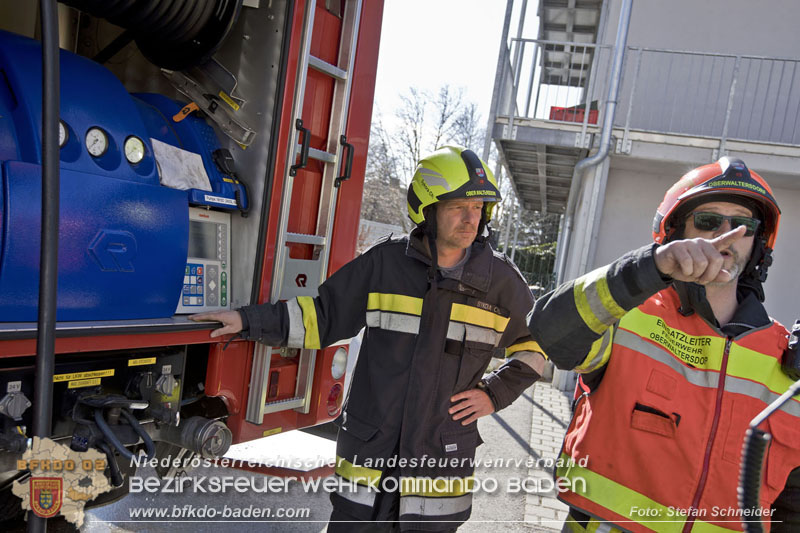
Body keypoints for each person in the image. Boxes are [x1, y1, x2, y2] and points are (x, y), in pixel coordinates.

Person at [191, 146, 547, 531]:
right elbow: (319, 317)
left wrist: (494, 393)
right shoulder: (384, 266)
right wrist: (245, 320)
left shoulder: (501, 284)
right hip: (368, 464)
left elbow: (538, 347)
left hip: (437, 477)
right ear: (428, 210)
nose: (470, 219)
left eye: (478, 209)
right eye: (458, 207)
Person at [527, 157, 800, 533]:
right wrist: (649, 268)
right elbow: (548, 329)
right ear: (675, 234)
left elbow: (793, 502)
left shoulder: (787, 359)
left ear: (758, 243)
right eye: (707, 221)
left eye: (742, 224)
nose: (726, 234)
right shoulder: (627, 314)